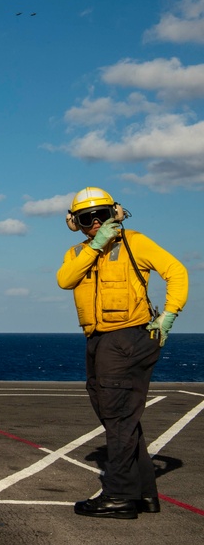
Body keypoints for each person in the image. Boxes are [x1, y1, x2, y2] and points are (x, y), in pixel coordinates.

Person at [57, 187, 188, 520]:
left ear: (115, 213)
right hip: (98, 340)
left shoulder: (135, 242)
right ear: (76, 223)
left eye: (102, 215)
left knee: (117, 418)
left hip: (127, 339)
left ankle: (118, 496)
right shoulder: (78, 253)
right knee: (121, 417)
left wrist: (168, 315)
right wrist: (97, 244)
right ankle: (143, 493)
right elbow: (65, 280)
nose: (96, 223)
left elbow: (177, 271)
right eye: (88, 219)